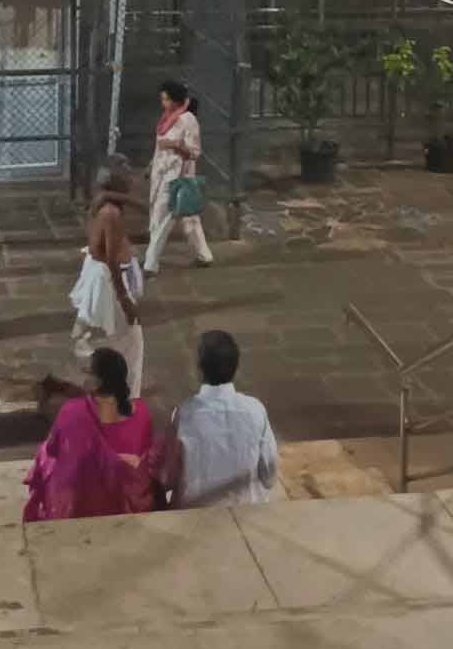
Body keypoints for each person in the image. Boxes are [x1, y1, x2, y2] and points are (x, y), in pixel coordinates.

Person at [23, 346, 159, 522]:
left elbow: (52, 451)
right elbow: (147, 461)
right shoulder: (142, 412)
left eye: (87, 372)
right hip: (128, 504)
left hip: (84, 505)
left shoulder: (73, 411)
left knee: (50, 459)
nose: (83, 375)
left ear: (98, 382)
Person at [166, 330, 278, 509]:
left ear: (200, 369)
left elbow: (168, 479)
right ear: (236, 367)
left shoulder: (184, 413)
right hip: (246, 514)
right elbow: (269, 477)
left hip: (194, 518)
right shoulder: (255, 410)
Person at [69, 158, 145, 397]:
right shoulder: (110, 213)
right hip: (110, 282)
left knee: (95, 333)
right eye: (127, 178)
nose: (132, 181)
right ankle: (128, 397)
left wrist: (115, 196)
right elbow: (112, 260)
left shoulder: (99, 205)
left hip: (101, 277)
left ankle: (100, 377)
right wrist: (125, 300)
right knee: (132, 342)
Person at [144, 80, 213, 274]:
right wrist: (151, 165)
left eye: (166, 99)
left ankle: (150, 264)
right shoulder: (167, 118)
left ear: (176, 100)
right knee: (190, 219)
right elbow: (159, 147)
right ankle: (204, 255)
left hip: (177, 177)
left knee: (161, 219)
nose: (163, 103)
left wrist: (175, 146)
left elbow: (194, 152)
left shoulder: (188, 119)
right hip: (162, 173)